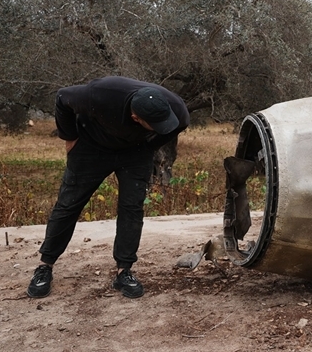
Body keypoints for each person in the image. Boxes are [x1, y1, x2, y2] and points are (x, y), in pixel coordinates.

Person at [27, 77, 190, 299]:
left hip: (135, 152)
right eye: (156, 125)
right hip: (91, 147)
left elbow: (179, 124)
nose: (163, 126)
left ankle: (124, 271)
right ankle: (45, 266)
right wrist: (70, 137)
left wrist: (149, 148)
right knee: (68, 205)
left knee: (132, 208)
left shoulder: (175, 107)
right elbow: (62, 97)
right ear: (135, 117)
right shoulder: (101, 93)